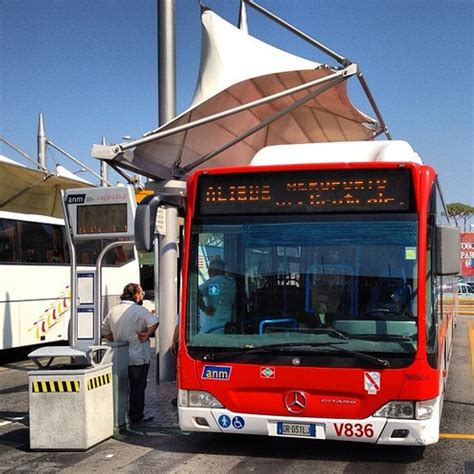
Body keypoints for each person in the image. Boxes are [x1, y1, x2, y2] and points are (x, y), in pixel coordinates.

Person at [102, 283, 159, 424]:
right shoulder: (140, 311)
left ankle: (120, 415)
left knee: (121, 387)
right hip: (138, 356)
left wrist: (116, 339)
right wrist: (147, 335)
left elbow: (104, 331)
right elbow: (155, 321)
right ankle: (136, 416)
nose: (142, 296)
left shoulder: (113, 311)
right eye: (141, 293)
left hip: (120, 357)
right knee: (138, 388)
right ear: (135, 296)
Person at [198, 258, 236, 334]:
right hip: (227, 327)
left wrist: (204, 308)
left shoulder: (213, 282)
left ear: (209, 271)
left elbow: (195, 292)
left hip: (211, 329)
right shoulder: (232, 282)